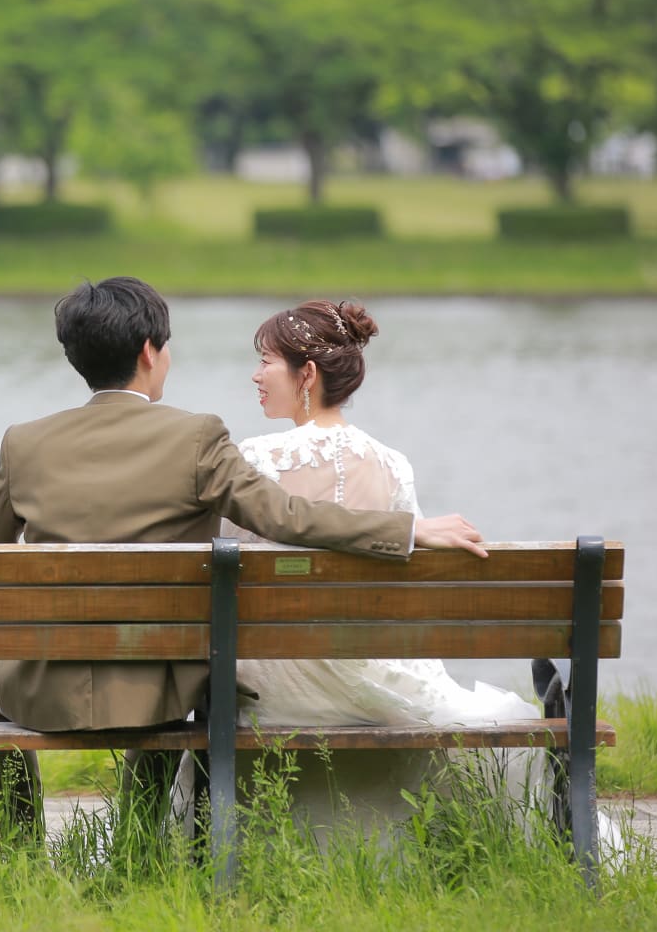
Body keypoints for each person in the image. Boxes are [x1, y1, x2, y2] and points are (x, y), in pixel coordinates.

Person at [0, 277, 486, 831]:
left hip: (44, 690)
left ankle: (20, 841)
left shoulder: (23, 442)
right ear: (149, 351)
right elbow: (285, 516)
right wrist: (406, 530)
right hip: (159, 689)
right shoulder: (196, 438)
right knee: (170, 683)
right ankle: (138, 845)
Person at [218, 298, 546, 844]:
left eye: (266, 361)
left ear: (307, 374)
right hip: (361, 670)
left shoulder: (255, 458)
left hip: (274, 685)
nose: (255, 374)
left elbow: (222, 565)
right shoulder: (393, 464)